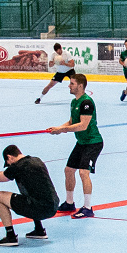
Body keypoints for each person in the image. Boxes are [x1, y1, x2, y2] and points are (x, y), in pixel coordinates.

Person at [0, 144, 56, 246]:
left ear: (9, 157)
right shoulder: (36, 160)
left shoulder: (18, 166)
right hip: (53, 206)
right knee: (31, 193)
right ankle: (39, 230)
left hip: (39, 209)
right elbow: (7, 172)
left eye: (8, 163)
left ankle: (10, 236)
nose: (9, 165)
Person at [47, 73, 102, 219]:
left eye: (72, 83)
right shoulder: (74, 102)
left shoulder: (86, 103)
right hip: (82, 142)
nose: (69, 86)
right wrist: (58, 128)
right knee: (68, 170)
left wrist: (62, 129)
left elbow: (83, 126)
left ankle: (87, 207)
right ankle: (69, 203)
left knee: (84, 172)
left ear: (80, 86)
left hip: (93, 142)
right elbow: (71, 122)